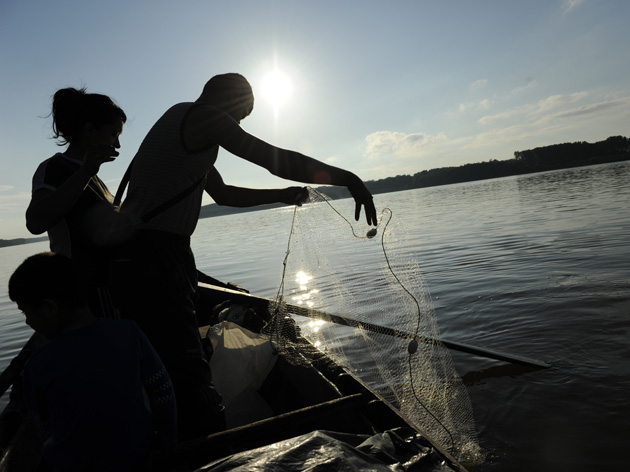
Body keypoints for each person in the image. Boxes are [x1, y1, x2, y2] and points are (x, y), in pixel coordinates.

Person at [110, 72, 378, 441]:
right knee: (187, 369)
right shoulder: (204, 117)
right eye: (242, 114)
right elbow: (274, 159)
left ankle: (179, 432)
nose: (237, 124)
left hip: (143, 256)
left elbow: (222, 194)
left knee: (170, 358)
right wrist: (348, 177)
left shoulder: (181, 124)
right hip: (157, 257)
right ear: (230, 100)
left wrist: (281, 196)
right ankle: (205, 451)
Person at [8, 252, 177, 472]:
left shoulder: (36, 365)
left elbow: (45, 426)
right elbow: (164, 393)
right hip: (137, 459)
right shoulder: (130, 333)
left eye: (26, 313)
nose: (28, 322)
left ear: (50, 308)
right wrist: (166, 446)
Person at [25, 87, 126, 316]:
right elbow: (35, 222)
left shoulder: (95, 177)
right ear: (89, 130)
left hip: (109, 288)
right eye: (113, 134)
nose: (117, 145)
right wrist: (85, 173)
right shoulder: (55, 168)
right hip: (81, 292)